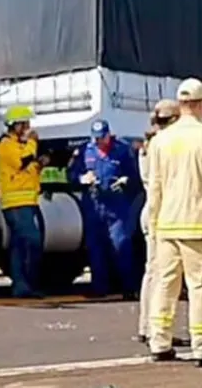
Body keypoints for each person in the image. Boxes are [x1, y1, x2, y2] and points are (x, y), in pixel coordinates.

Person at [146, 78, 202, 367]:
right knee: (200, 287)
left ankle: (159, 341)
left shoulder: (160, 141)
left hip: (167, 225)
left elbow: (155, 188)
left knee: (165, 284)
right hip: (197, 226)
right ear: (201, 104)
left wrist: (155, 225)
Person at [68, 119, 142, 299]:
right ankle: (99, 287)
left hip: (116, 204)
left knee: (121, 244)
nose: (98, 142)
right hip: (93, 203)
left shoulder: (122, 150)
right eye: (96, 138)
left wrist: (126, 181)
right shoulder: (86, 150)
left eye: (102, 138)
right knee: (95, 247)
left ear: (109, 135)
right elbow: (72, 175)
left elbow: (135, 176)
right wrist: (82, 179)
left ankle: (128, 288)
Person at [136, 99, 187, 347]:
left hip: (152, 209)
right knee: (163, 274)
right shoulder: (163, 144)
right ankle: (155, 328)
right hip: (163, 211)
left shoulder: (150, 145)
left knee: (153, 272)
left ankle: (147, 326)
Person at [0, 105, 49, 299]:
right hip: (16, 204)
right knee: (31, 241)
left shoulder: (19, 145)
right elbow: (22, 162)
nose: (27, 128)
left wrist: (40, 164)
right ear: (14, 125)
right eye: (24, 124)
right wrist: (33, 143)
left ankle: (24, 285)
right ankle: (24, 283)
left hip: (27, 201)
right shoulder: (5, 145)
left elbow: (28, 169)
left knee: (21, 244)